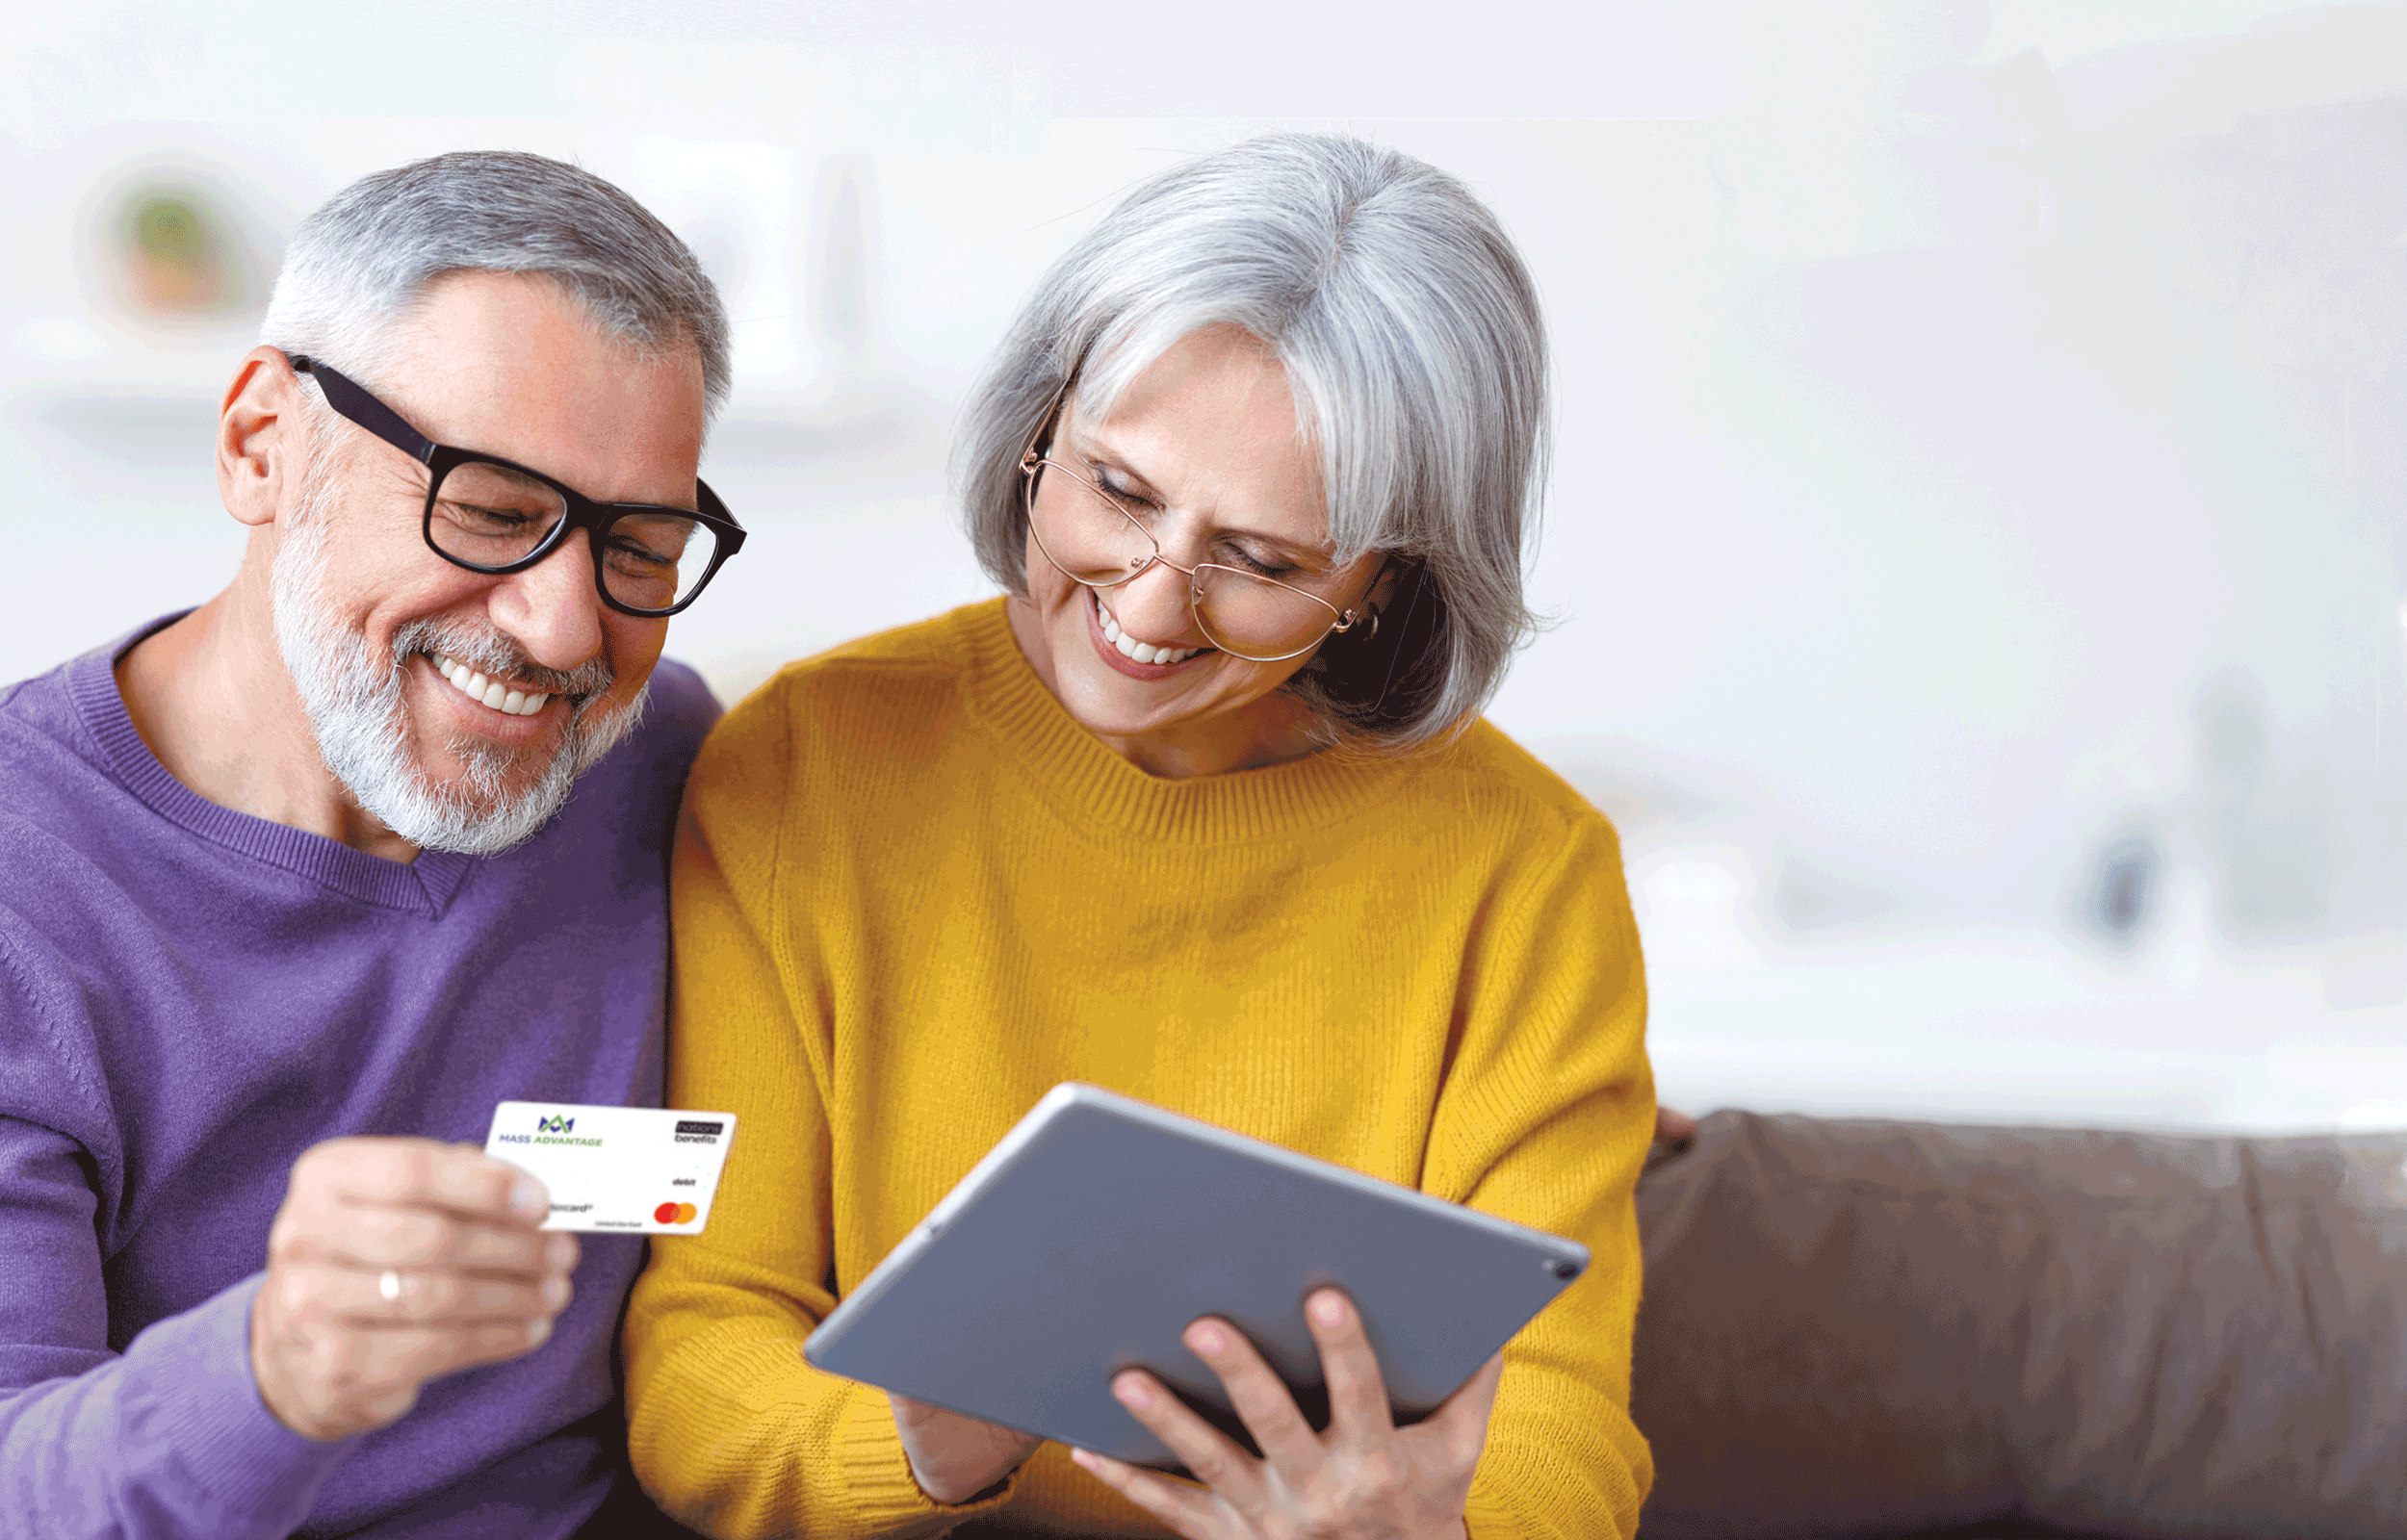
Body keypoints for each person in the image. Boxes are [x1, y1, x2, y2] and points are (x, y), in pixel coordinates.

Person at [625, 132, 1656, 1539]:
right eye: (1117, 491)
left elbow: (1562, 1412)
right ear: (1040, 428)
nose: (1154, 608)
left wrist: (1427, 1530)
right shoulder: (804, 768)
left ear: (1387, 578)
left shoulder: (1524, 873)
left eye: (1267, 562)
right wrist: (918, 1435)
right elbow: (702, 1343)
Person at [0, 151, 740, 1537]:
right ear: (262, 445)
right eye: (492, 509)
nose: (568, 631)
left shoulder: (665, 764)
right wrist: (275, 1371)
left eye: (638, 545)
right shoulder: (25, 895)